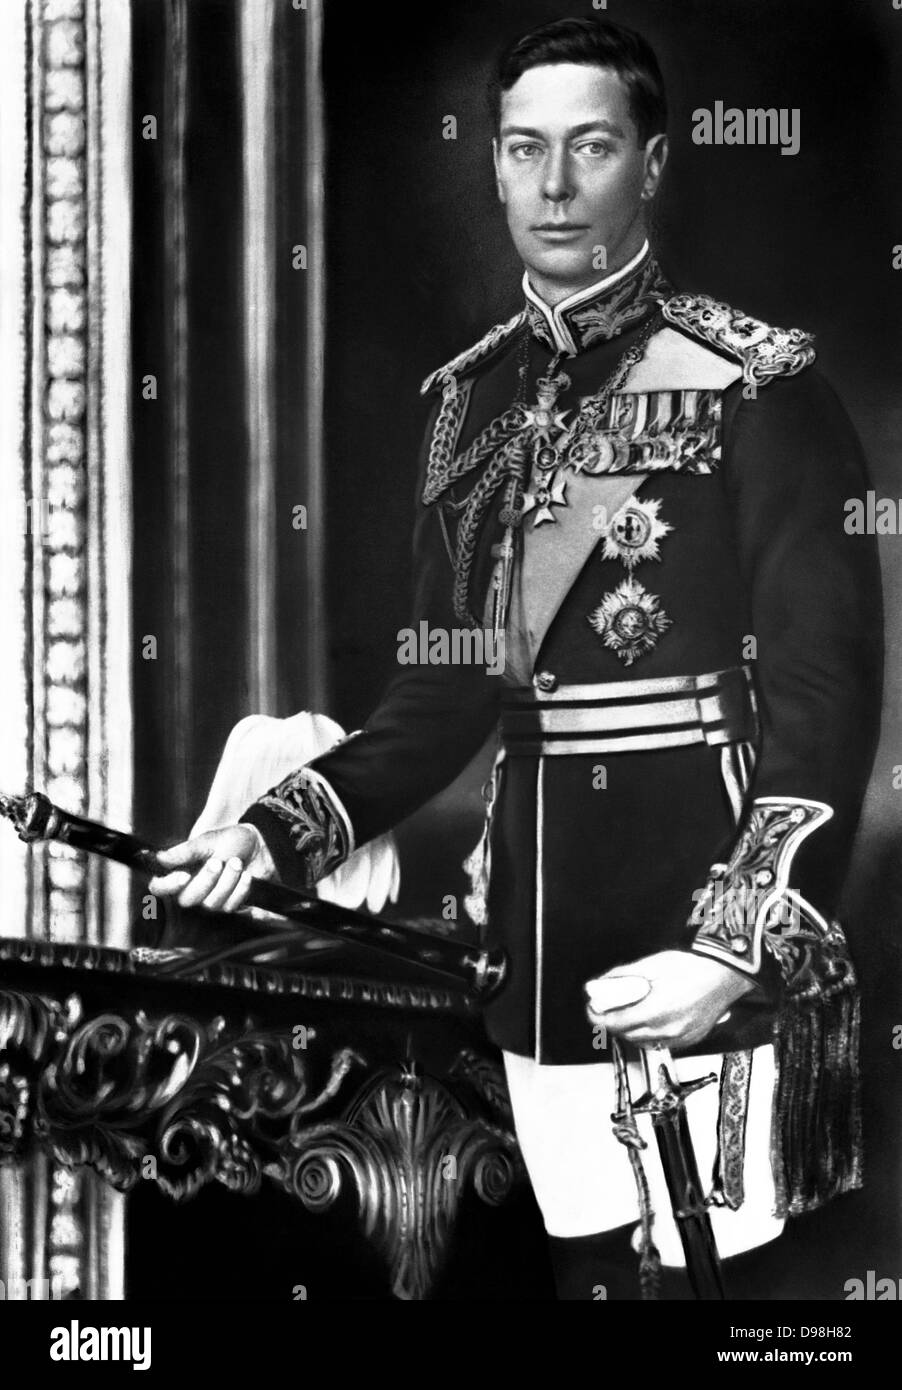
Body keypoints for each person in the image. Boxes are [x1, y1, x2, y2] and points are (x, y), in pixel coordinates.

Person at [149, 17, 883, 1299]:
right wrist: (274, 835)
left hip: (700, 913)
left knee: (727, 1306)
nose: (553, 187)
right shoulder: (467, 403)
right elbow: (441, 697)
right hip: (536, 945)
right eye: (525, 150)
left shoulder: (755, 386)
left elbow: (824, 701)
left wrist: (730, 947)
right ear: (490, 165)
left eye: (589, 147)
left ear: (649, 164)